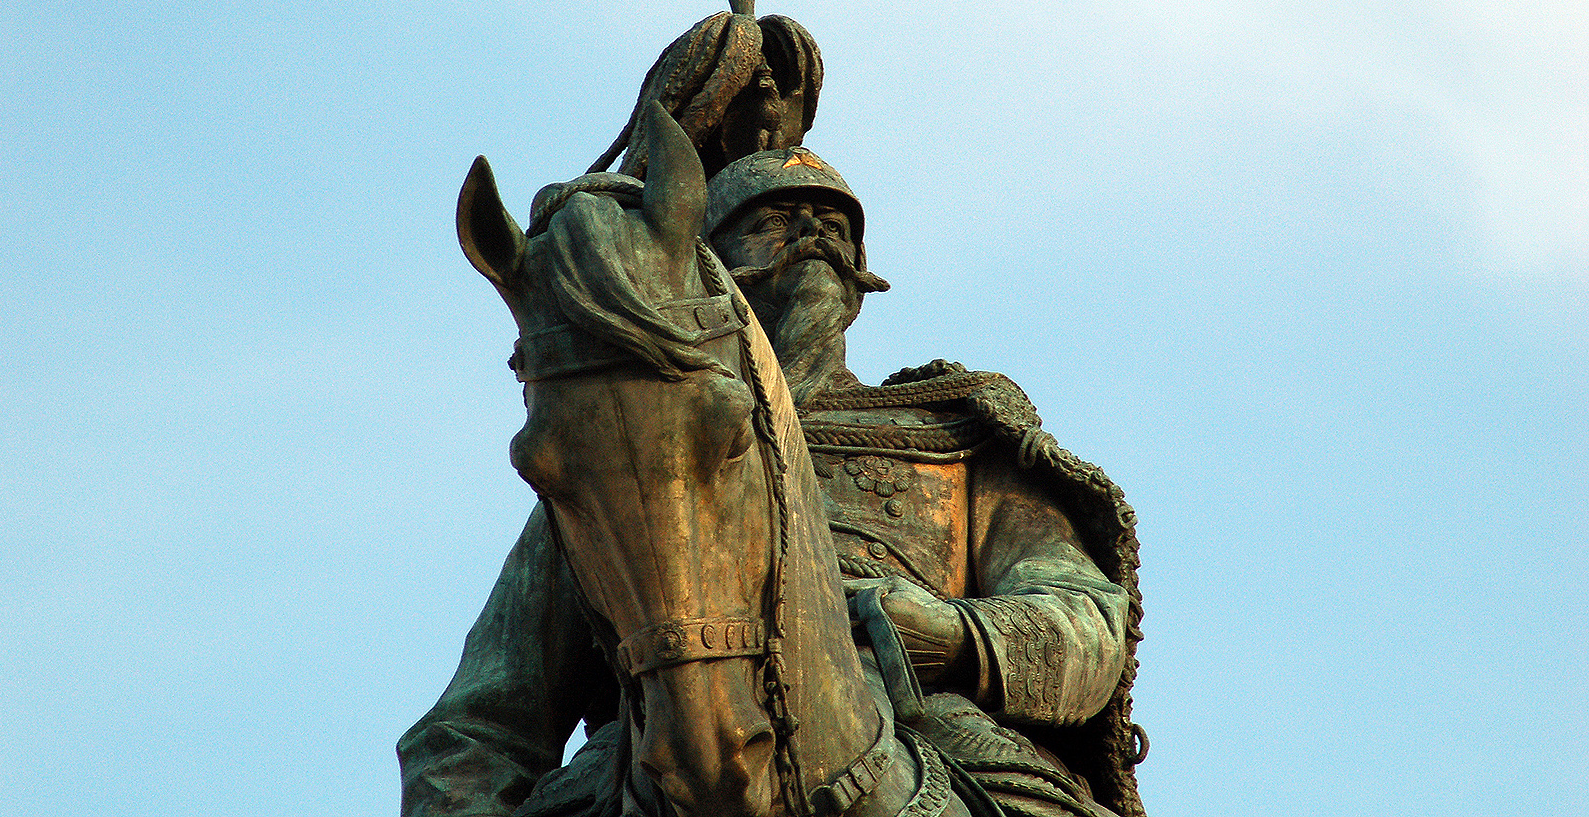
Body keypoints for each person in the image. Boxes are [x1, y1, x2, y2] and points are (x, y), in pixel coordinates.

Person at [398, 148, 1146, 817]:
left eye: (832, 223)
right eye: (775, 221)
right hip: (645, 751)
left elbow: (1085, 620)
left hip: (933, 728)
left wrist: (950, 634)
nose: (811, 236)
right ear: (710, 268)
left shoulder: (955, 434)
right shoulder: (623, 469)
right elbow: (481, 723)